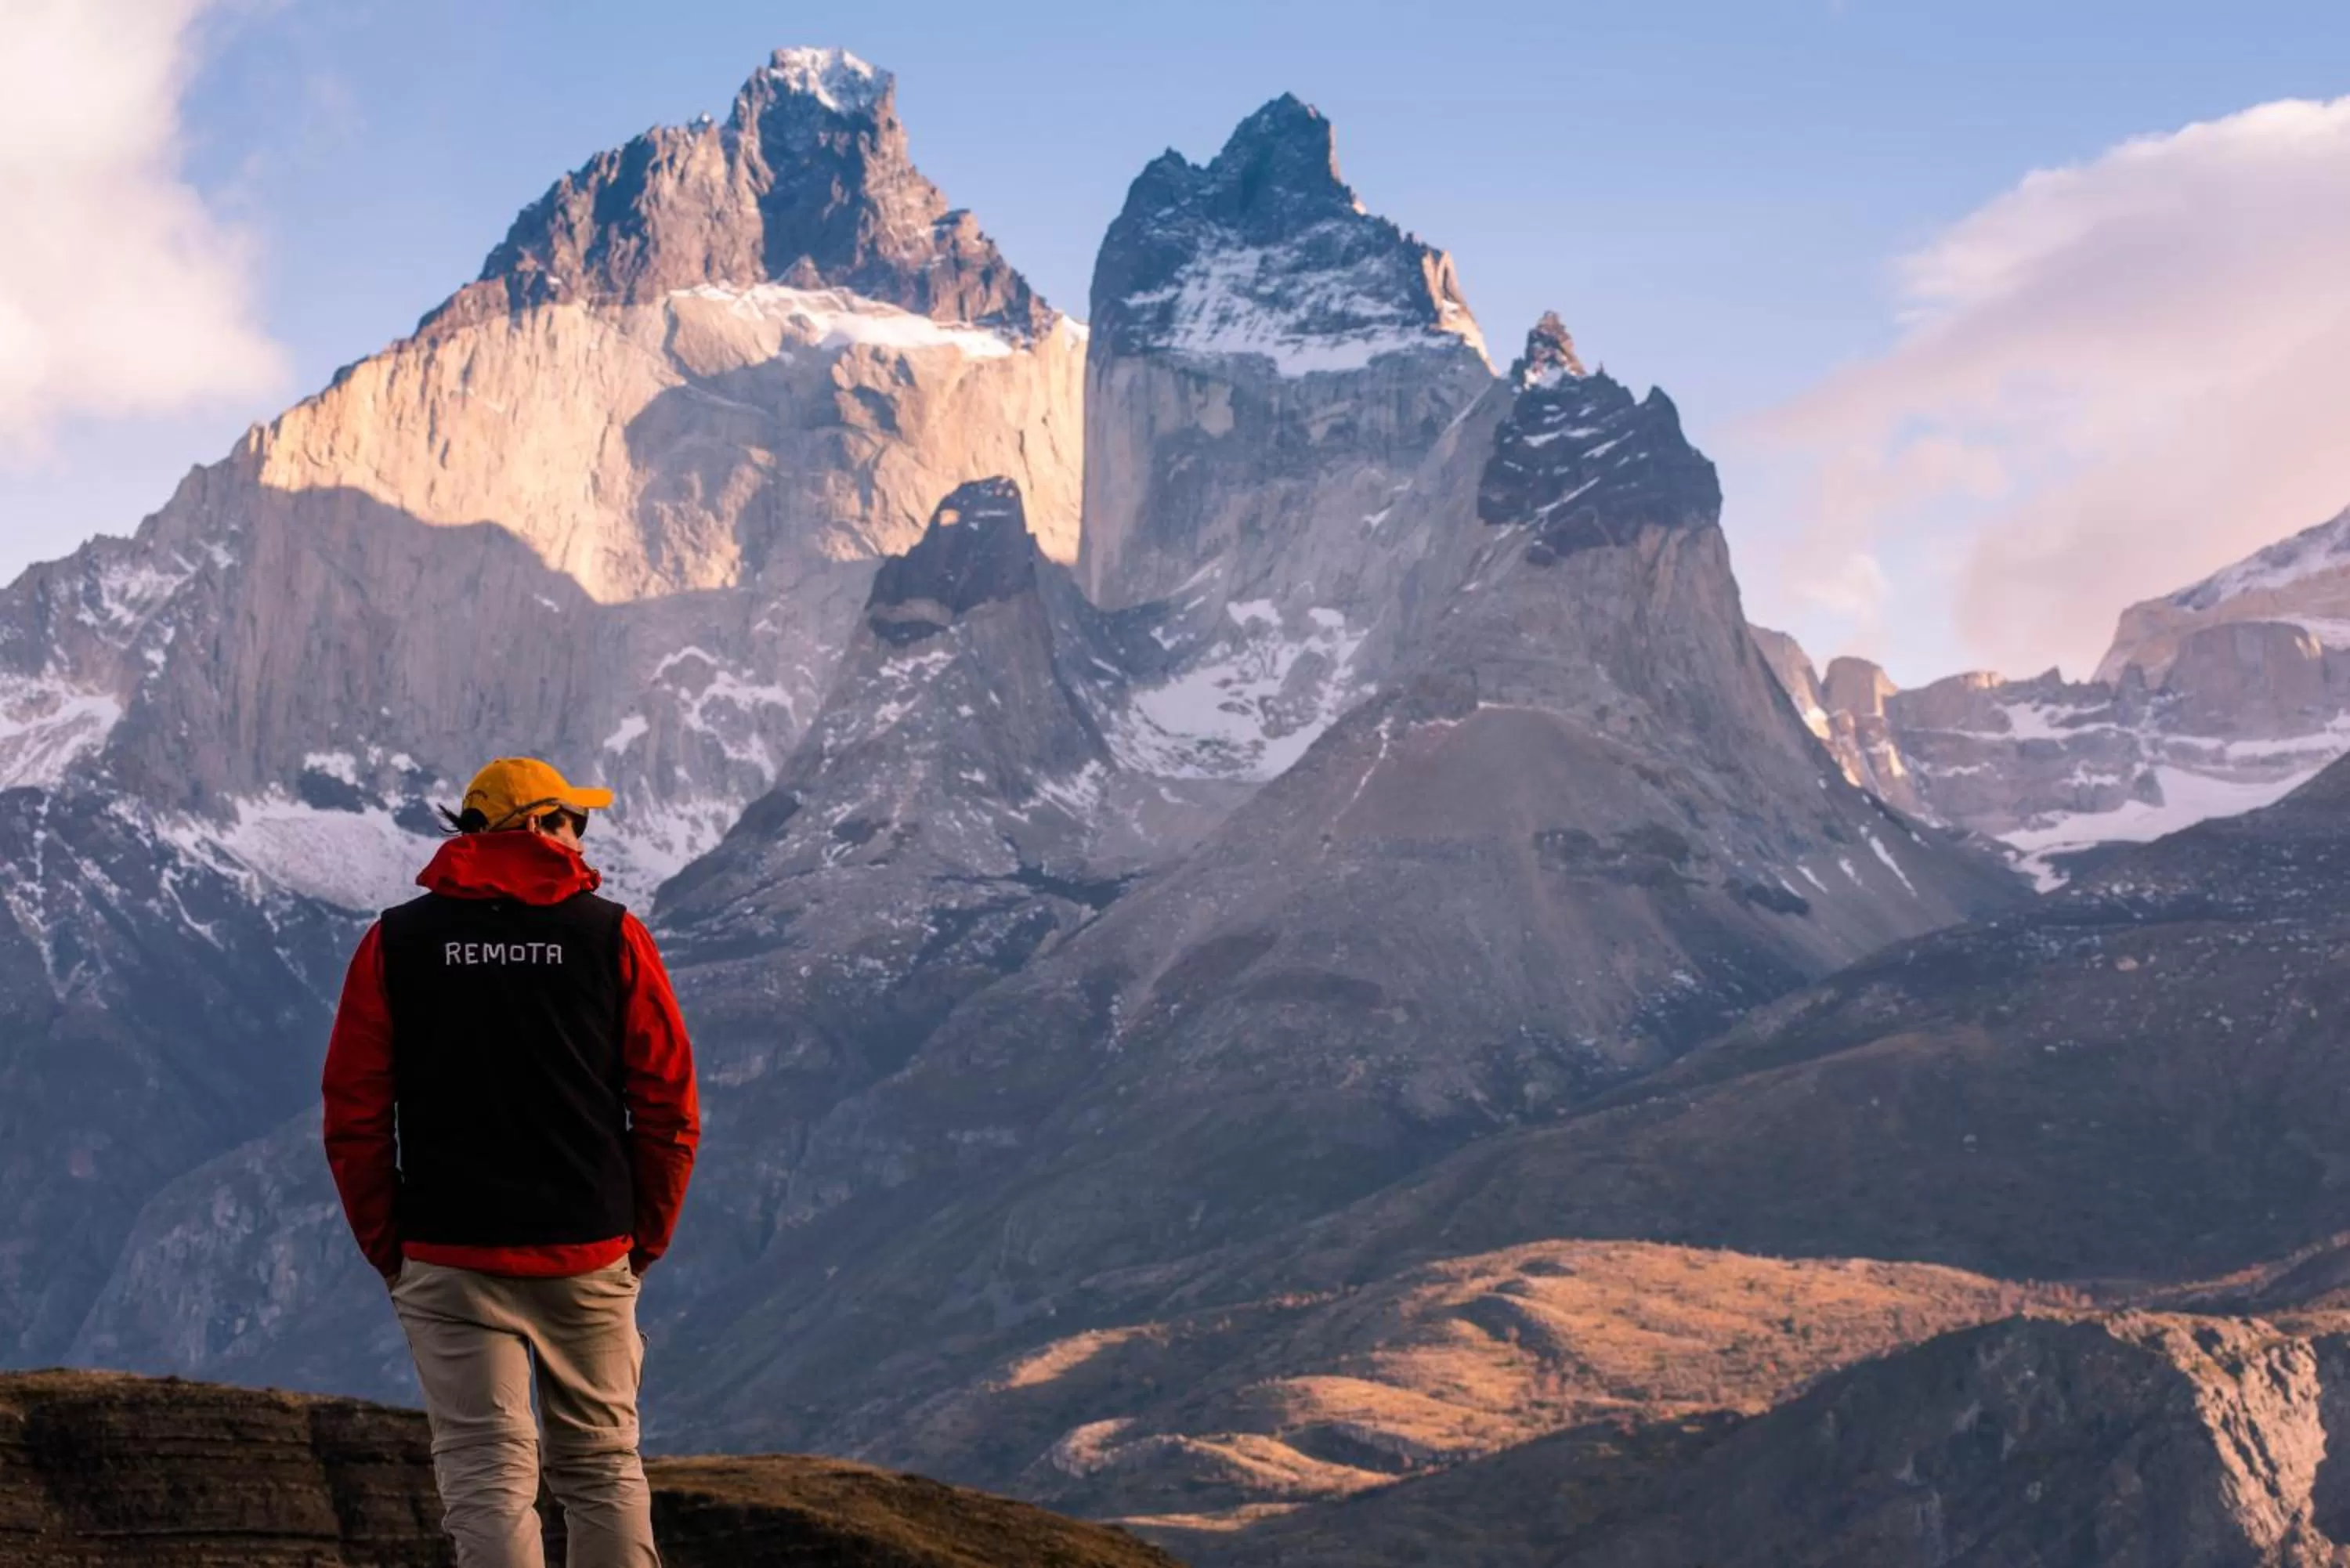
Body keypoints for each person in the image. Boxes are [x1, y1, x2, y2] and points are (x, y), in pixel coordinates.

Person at [323, 757, 699, 1568]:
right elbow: (669, 1108)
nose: (580, 834)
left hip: (447, 1251)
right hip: (588, 1247)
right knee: (601, 1466)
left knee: (486, 1476)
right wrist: (644, 1240)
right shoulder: (611, 935)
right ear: (534, 828)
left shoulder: (394, 943)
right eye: (572, 819)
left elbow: (354, 1114)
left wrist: (390, 1245)